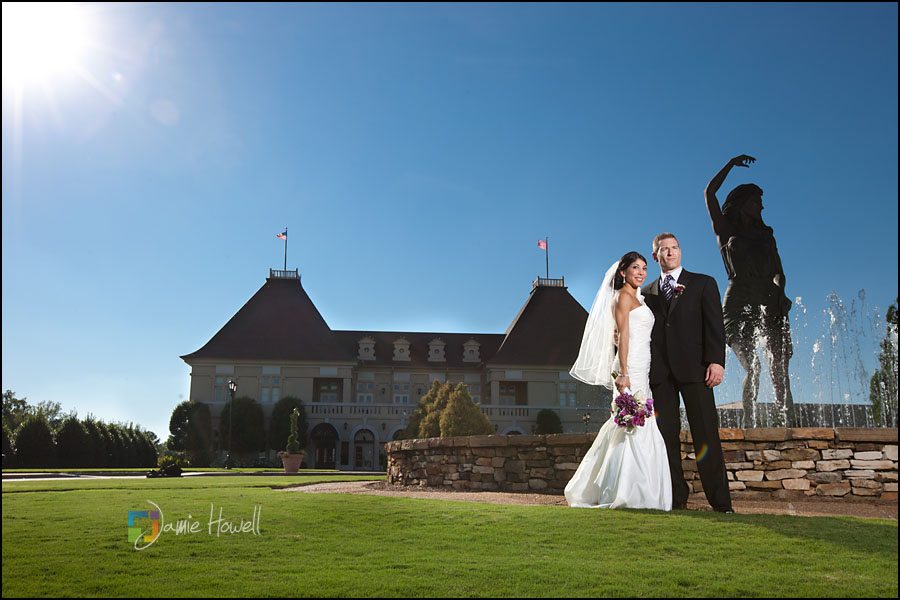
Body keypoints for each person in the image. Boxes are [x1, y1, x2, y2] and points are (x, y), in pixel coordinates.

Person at [565, 252, 672, 511]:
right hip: (629, 368)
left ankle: (643, 491)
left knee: (637, 425)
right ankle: (626, 491)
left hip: (642, 366)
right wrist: (623, 372)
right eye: (635, 267)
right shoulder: (623, 296)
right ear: (623, 272)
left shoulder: (638, 297)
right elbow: (623, 336)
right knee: (631, 425)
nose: (641, 272)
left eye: (644, 268)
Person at [643, 233, 733, 512]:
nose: (670, 253)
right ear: (656, 256)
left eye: (675, 248)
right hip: (660, 375)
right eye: (664, 249)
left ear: (680, 252)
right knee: (665, 437)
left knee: (706, 435)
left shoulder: (703, 283)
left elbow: (715, 325)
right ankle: (675, 499)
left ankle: (721, 502)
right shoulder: (645, 293)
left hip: (697, 371)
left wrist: (716, 361)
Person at [705, 154, 795, 427]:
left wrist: (780, 293)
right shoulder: (726, 229)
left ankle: (791, 425)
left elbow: (779, 271)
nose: (762, 206)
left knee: (779, 369)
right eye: (757, 201)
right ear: (743, 204)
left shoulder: (766, 234)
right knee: (752, 366)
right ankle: (749, 425)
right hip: (740, 299)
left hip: (769, 298)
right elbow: (710, 193)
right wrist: (730, 164)